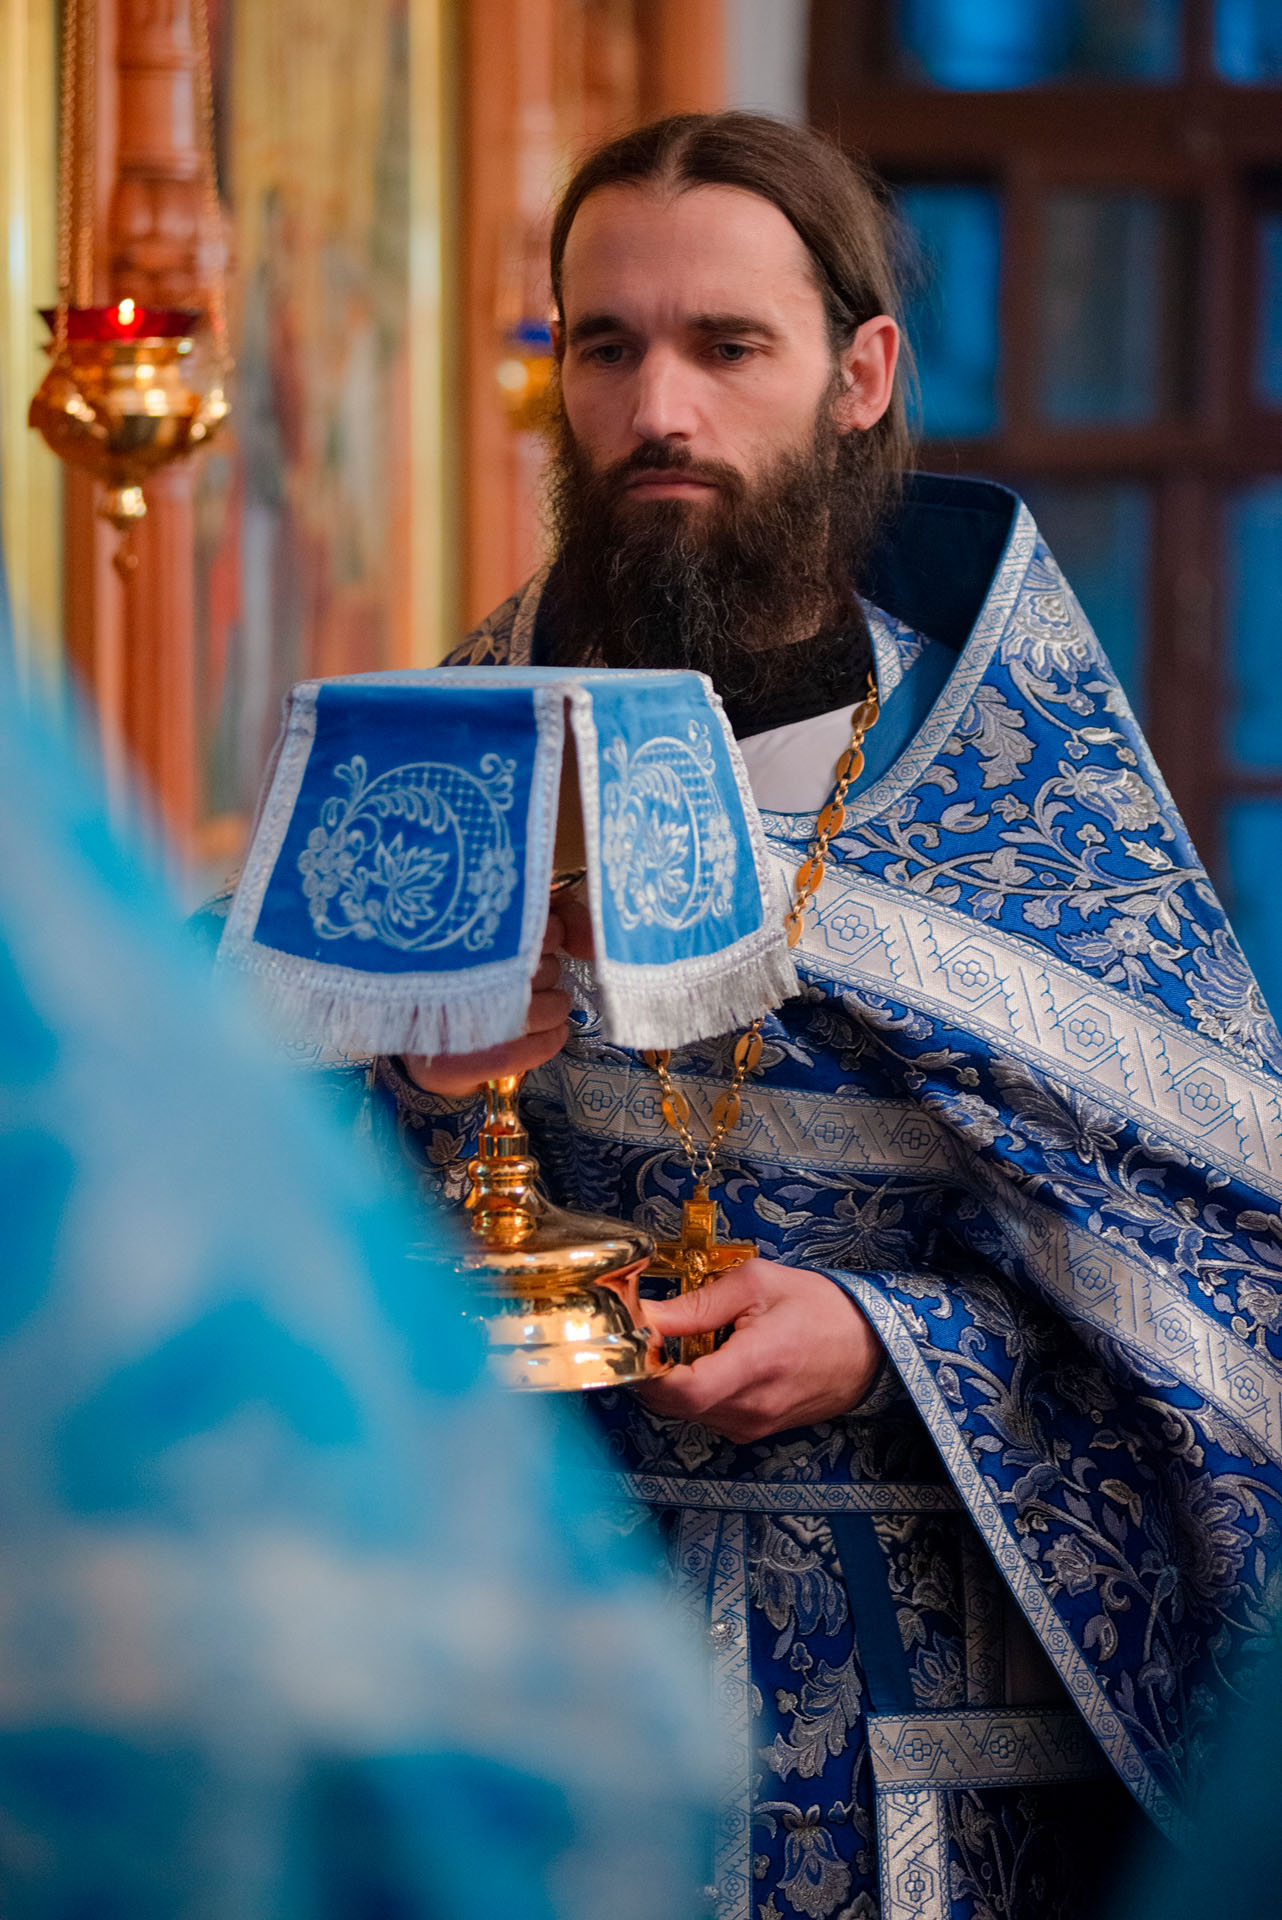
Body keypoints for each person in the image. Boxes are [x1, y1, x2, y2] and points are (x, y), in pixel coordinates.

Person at [344, 114, 1280, 1918]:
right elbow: (244, 1195)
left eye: (727, 346)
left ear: (859, 376)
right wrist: (417, 1086)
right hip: (531, 1690)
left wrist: (887, 1339)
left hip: (920, 1725)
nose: (657, 410)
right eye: (604, 347)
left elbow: (1218, 1283)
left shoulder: (1023, 795)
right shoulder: (455, 749)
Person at [0, 605, 715, 1914]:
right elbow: (162, 1073)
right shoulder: (441, 724)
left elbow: (1129, 1236)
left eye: (728, 376)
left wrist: (888, 1335)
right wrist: (398, 1047)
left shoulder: (1007, 772)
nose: (661, 424)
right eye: (605, 377)